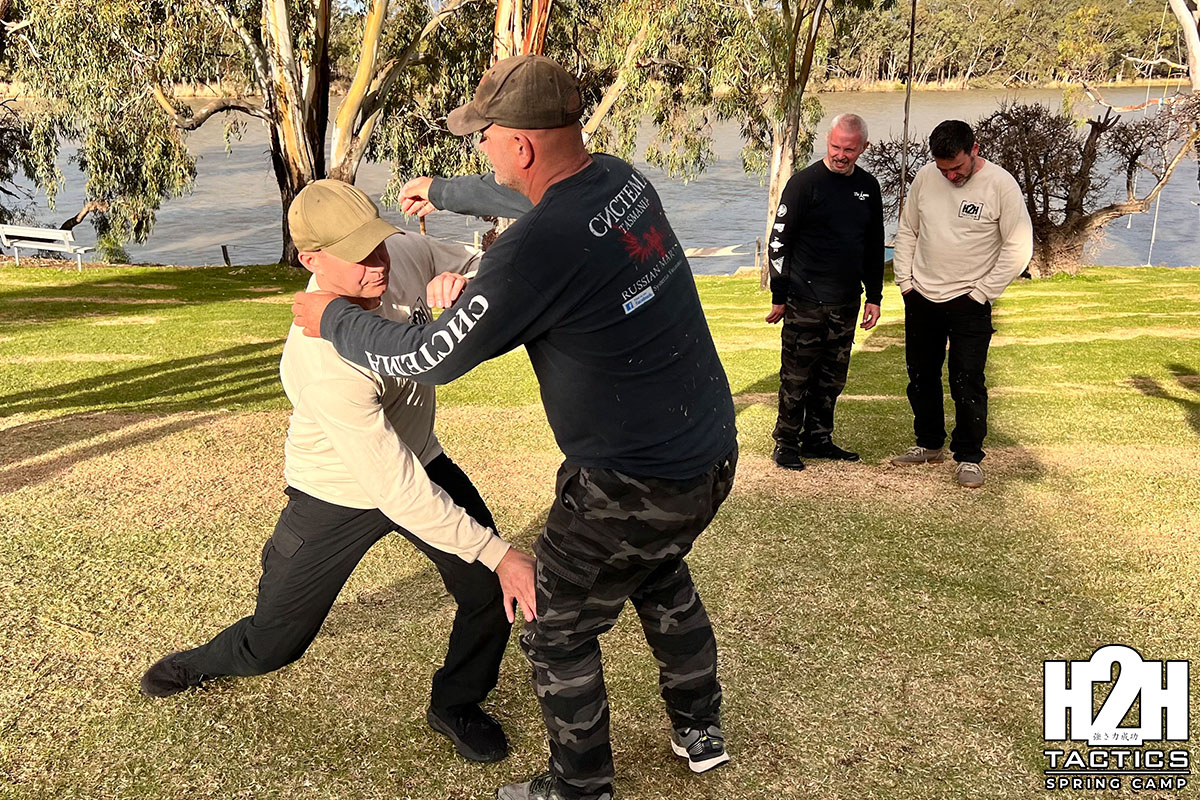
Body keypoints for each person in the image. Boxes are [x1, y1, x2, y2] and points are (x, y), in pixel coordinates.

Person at [291, 55, 738, 800]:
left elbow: (431, 356)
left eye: (486, 137)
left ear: (521, 144)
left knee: (555, 628)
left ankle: (580, 788)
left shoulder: (534, 252)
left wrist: (333, 318)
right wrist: (443, 191)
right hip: (709, 450)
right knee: (657, 571)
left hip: (630, 478)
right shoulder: (621, 180)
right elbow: (525, 195)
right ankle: (700, 729)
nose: (484, 148)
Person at [139, 179, 537, 766]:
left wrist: (465, 287)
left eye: (377, 243)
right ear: (311, 260)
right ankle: (202, 662)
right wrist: (501, 552)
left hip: (419, 457)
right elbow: (394, 488)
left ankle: (456, 703)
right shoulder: (320, 360)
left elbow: (496, 266)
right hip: (336, 491)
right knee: (275, 643)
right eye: (357, 256)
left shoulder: (401, 253)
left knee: (487, 592)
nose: (378, 264)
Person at [890, 120, 1033, 487]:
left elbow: (1018, 247)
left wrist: (983, 293)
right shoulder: (925, 178)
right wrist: (905, 283)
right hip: (921, 296)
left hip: (970, 300)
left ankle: (969, 457)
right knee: (921, 376)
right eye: (944, 169)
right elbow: (908, 231)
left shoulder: (1001, 185)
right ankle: (929, 444)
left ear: (975, 150)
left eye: (956, 167)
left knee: (967, 380)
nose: (950, 175)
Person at [765, 113, 884, 470]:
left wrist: (874, 296)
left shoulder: (868, 188)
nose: (840, 155)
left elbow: (873, 245)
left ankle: (818, 438)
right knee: (796, 377)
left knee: (832, 379)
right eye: (835, 147)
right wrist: (779, 295)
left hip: (846, 301)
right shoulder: (804, 184)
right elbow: (778, 242)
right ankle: (786, 442)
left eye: (849, 149)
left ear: (863, 148)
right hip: (804, 300)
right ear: (827, 141)